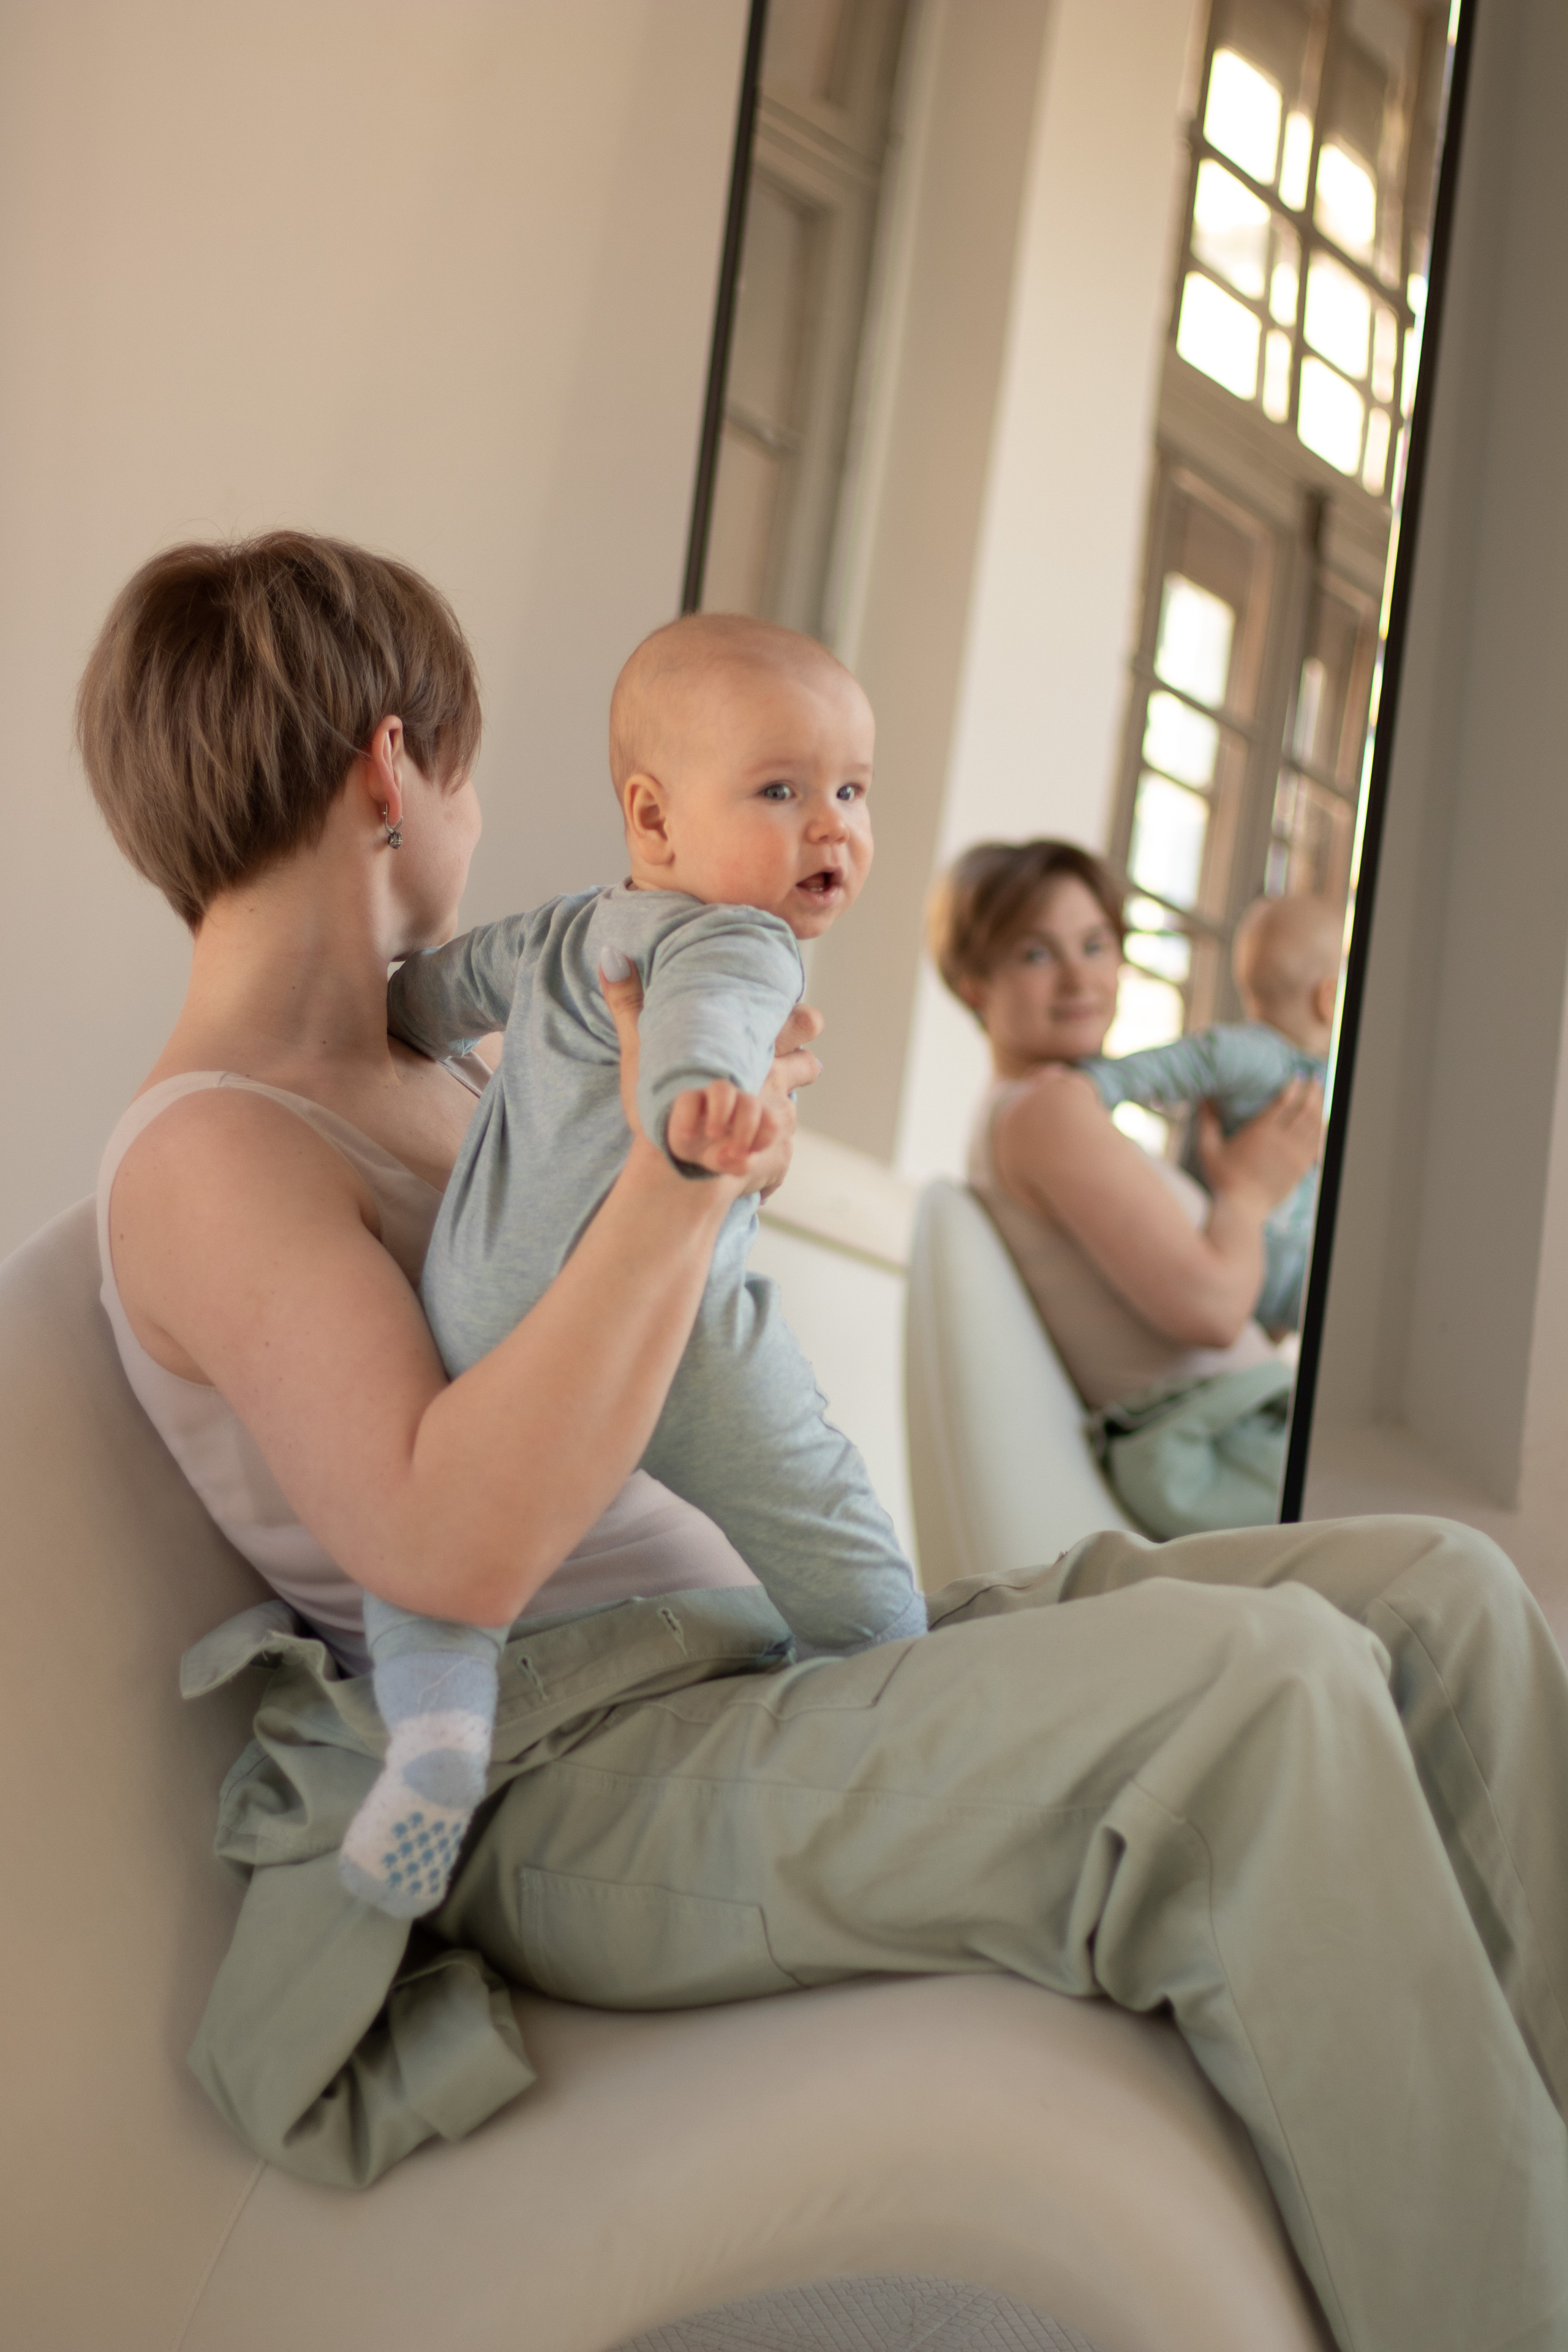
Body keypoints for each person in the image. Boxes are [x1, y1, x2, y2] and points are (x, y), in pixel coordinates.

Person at [81, 533, 1568, 2352]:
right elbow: (442, 1543)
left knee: (1440, 1592)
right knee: (1261, 1696)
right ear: (394, 769)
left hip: (755, 1661)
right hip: (583, 1766)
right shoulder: (210, 1155)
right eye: (462, 766)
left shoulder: (455, 1060)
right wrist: (673, 1182)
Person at [345, 612, 922, 1917]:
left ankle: (435, 1730)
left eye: (850, 790)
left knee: (432, 1574)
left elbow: (438, 992)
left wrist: (383, 1009)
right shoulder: (737, 940)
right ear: (655, 821)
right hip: (665, 1327)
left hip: (476, 1292)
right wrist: (700, 1116)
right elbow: (698, 1038)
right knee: (820, 1511)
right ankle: (894, 1672)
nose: (829, 827)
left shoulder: (563, 928)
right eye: (779, 791)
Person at [930, 839, 1322, 1532]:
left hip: (1234, 1442)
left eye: (1095, 945)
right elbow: (1210, 1309)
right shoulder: (1047, 1109)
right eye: (1036, 953)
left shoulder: (1025, 1110)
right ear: (974, 985)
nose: (1080, 980)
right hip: (1225, 1454)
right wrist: (1250, 1193)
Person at [1081, 891, 1340, 1332]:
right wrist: (1096, 1083)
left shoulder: (1326, 1074)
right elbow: (1176, 1065)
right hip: (1237, 1250)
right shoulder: (1255, 1055)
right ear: (1328, 998)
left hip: (1292, 1259)